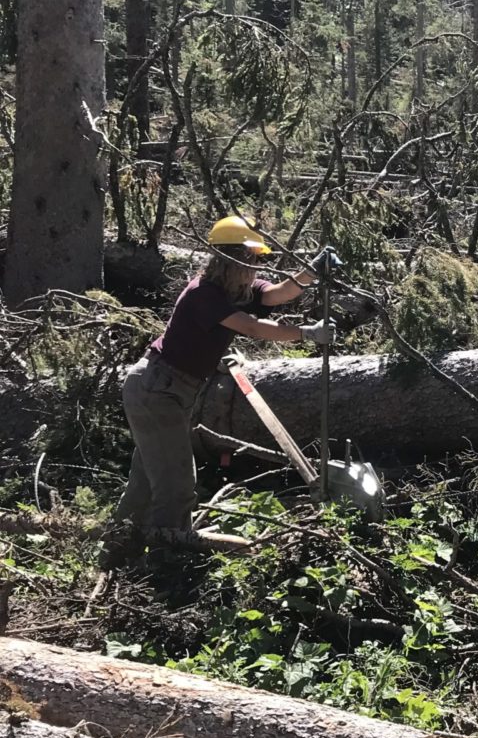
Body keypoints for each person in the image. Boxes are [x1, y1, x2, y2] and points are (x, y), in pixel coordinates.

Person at [107, 216, 336, 552]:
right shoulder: (205, 294)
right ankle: (168, 553)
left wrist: (312, 272)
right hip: (157, 389)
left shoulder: (238, 290)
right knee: (177, 483)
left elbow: (278, 294)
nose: (256, 267)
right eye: (251, 260)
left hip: (166, 391)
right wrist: (306, 334)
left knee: (147, 478)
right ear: (232, 261)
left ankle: (118, 543)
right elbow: (253, 327)